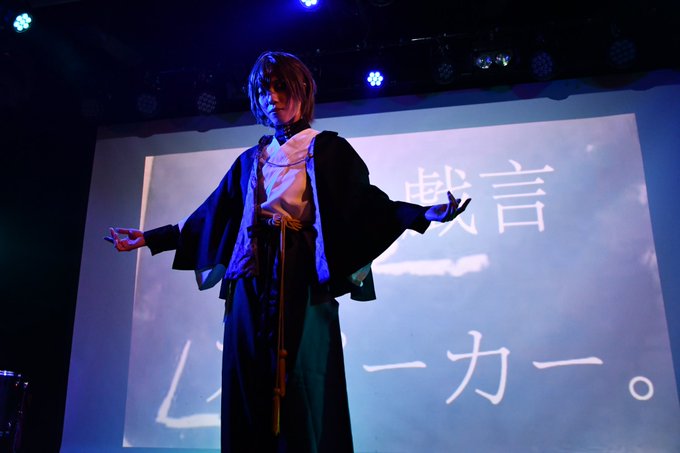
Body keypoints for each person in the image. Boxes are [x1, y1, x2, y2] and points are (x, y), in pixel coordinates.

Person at [108, 51, 470, 453]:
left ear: (302, 91)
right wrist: (150, 238)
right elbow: (211, 217)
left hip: (300, 273)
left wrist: (422, 213)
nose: (273, 98)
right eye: (265, 90)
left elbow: (368, 205)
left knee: (300, 378)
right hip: (250, 274)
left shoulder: (327, 150)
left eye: (281, 87)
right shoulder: (252, 159)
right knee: (247, 374)